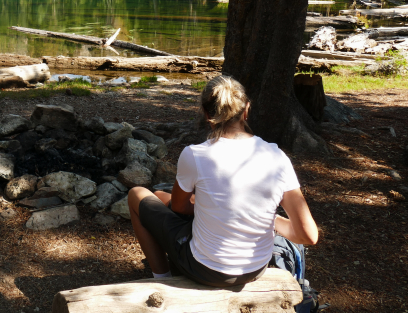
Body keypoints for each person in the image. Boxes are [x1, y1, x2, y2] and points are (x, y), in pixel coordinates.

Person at [127, 75, 319, 287]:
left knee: (137, 194)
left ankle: (162, 280)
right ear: (246, 109)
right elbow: (309, 235)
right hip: (256, 269)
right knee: (162, 197)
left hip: (205, 268)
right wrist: (268, 219)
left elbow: (180, 207)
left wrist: (212, 207)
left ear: (207, 114)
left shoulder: (195, 155)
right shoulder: (277, 157)